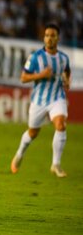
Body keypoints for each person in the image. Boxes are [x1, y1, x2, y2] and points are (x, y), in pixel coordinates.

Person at [11, 23, 71, 177]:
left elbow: (67, 72)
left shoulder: (64, 58)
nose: (49, 38)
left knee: (61, 124)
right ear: (44, 38)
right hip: (39, 100)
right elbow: (23, 77)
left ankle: (56, 164)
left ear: (58, 38)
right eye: (47, 35)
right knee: (33, 133)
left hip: (57, 98)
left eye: (52, 35)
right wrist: (41, 75)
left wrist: (67, 81)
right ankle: (19, 153)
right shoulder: (36, 57)